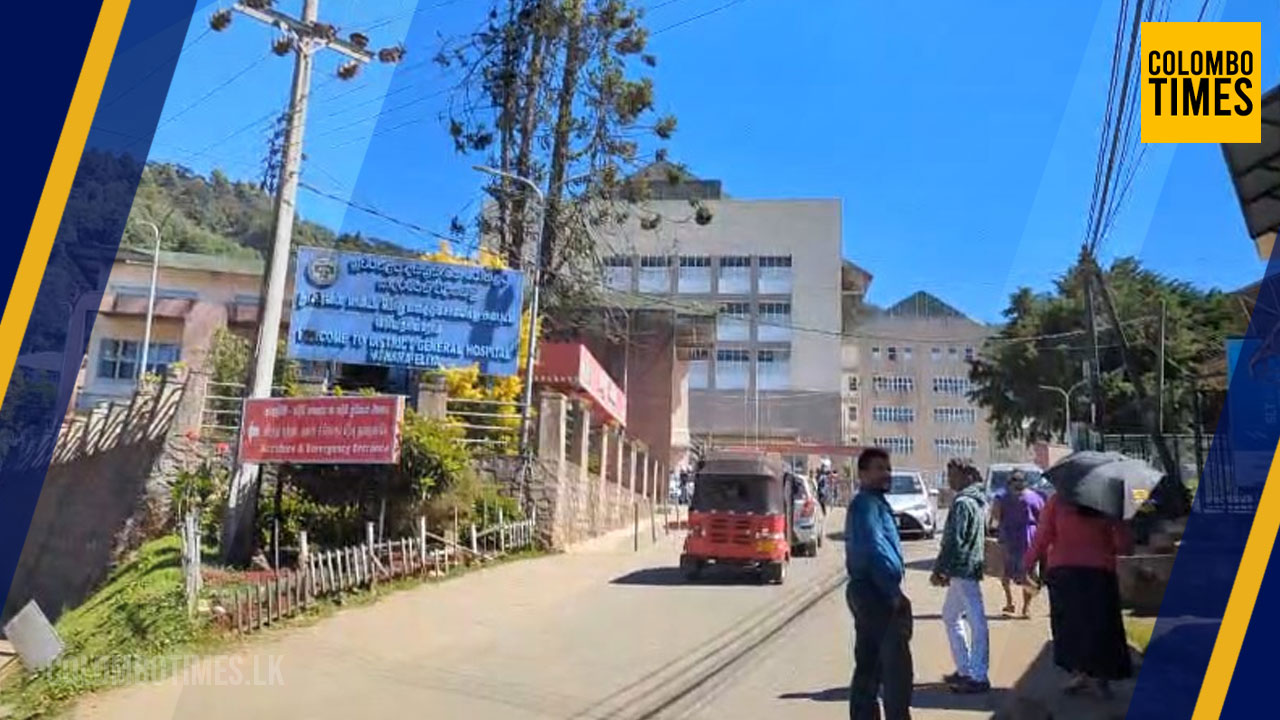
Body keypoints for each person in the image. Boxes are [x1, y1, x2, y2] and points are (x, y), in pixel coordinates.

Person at [1024, 493, 1133, 698]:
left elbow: (1043, 535)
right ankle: (1101, 678)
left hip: (1064, 572)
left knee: (1071, 626)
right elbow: (1123, 544)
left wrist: (1029, 563)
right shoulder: (1107, 501)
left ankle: (1080, 674)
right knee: (1101, 626)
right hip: (1099, 572)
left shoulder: (1058, 501)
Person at [845, 447, 913, 720]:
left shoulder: (874, 503)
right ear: (862, 474)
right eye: (879, 468)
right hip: (876, 592)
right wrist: (893, 593)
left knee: (869, 664)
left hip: (868, 591)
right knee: (896, 669)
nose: (886, 473)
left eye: (888, 468)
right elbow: (875, 549)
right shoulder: (867, 505)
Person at [931, 459, 990, 694]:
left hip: (963, 568)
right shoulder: (976, 501)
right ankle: (965, 668)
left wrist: (940, 569)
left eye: (954, 476)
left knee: (976, 621)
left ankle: (978, 675)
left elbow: (954, 540)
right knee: (951, 615)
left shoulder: (963, 503)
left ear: (967, 476)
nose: (950, 480)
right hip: (967, 567)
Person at [992, 470, 1044, 618]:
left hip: (1009, 537)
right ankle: (1026, 608)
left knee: (1006, 572)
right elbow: (1042, 517)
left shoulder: (1001, 497)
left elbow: (995, 517)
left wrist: (994, 529)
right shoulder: (1035, 496)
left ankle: (1010, 602)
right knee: (1027, 571)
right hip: (1028, 537)